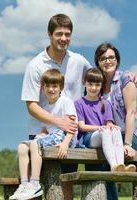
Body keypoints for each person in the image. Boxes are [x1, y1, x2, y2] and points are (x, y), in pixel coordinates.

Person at [20, 13, 91, 199]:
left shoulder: (79, 61)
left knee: (66, 183)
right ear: (49, 34)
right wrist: (59, 122)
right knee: (43, 183)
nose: (63, 38)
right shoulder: (35, 65)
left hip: (69, 134)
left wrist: (125, 77)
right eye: (59, 34)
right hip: (41, 132)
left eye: (67, 34)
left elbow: (96, 83)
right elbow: (31, 106)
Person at [94, 42, 137, 198]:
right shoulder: (97, 86)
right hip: (114, 134)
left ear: (117, 60)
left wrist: (127, 143)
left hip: (133, 135)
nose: (108, 61)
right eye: (103, 58)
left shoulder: (126, 78)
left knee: (105, 157)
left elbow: (131, 112)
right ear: (98, 63)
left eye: (111, 57)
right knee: (99, 157)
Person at [10, 69, 78, 200]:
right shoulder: (45, 107)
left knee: (35, 144)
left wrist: (65, 144)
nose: (51, 89)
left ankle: (35, 184)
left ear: (61, 88)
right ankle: (25, 185)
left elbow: (72, 126)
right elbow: (46, 130)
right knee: (22, 147)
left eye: (54, 86)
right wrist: (40, 135)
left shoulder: (65, 102)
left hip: (65, 137)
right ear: (43, 88)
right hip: (52, 136)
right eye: (48, 86)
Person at [75, 68, 137, 172]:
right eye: (90, 84)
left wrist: (112, 126)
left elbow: (109, 123)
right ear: (84, 83)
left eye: (97, 85)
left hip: (104, 134)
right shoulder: (78, 103)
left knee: (116, 129)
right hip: (88, 138)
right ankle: (113, 166)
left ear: (101, 85)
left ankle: (121, 165)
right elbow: (81, 126)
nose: (93, 88)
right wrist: (100, 128)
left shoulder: (106, 103)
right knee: (106, 131)